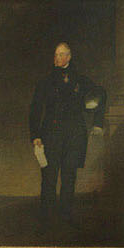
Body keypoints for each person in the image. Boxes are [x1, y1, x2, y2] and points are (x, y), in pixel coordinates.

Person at [28, 41, 105, 232]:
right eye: (55, 55)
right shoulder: (45, 82)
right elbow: (36, 109)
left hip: (74, 137)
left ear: (69, 57)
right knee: (49, 178)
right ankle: (45, 219)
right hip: (51, 136)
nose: (57, 58)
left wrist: (97, 123)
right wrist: (36, 135)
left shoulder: (81, 80)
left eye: (61, 55)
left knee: (69, 178)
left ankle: (66, 217)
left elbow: (100, 94)